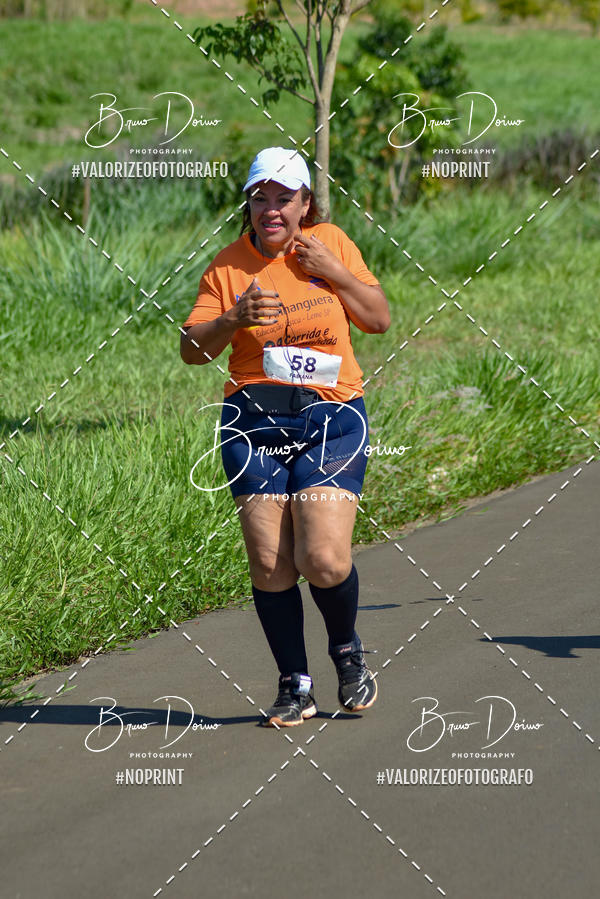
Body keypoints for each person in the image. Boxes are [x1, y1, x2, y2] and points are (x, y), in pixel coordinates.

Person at [180, 146, 391, 727]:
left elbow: (378, 319)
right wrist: (232, 319)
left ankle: (346, 651)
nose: (271, 210)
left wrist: (334, 271)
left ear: (305, 204)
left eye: (284, 199)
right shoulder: (227, 267)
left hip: (333, 414)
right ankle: (295, 684)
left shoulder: (332, 244)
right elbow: (191, 349)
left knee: (322, 558)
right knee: (271, 563)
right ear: (248, 205)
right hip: (253, 420)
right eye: (260, 199)